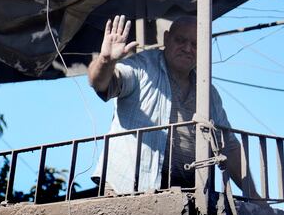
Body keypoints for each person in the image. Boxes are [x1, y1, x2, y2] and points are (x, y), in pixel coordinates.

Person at [87, 14, 260, 198]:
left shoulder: (208, 93)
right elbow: (100, 83)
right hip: (129, 191)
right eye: (181, 40)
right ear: (166, 38)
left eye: (195, 45)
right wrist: (106, 60)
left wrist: (254, 196)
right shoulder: (142, 67)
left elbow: (229, 146)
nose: (187, 49)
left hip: (188, 196)